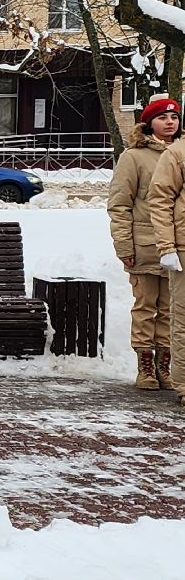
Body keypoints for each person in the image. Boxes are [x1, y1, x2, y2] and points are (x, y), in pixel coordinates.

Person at [111, 95, 180, 389]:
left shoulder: (181, 152)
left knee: (171, 310)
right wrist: (125, 247)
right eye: (163, 118)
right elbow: (119, 204)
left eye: (174, 117)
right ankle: (145, 368)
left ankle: (166, 365)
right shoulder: (134, 157)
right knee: (145, 307)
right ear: (149, 123)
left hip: (178, 247)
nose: (170, 123)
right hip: (145, 246)